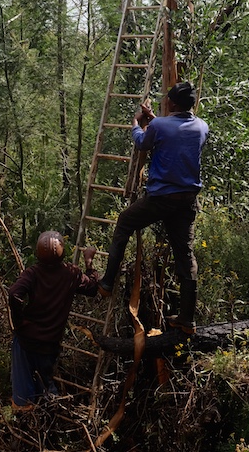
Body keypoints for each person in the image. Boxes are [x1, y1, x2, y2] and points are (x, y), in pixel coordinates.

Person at [98, 82, 209, 334]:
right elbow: (177, 134)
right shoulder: (202, 126)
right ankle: (187, 319)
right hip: (187, 200)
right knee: (185, 255)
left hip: (161, 198)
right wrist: (155, 120)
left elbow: (142, 143)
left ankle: (106, 283)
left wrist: (137, 124)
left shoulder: (159, 125)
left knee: (125, 222)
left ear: (171, 103)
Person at [8, 231, 98, 407]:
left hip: (26, 340)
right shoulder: (71, 273)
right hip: (49, 343)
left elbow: (14, 293)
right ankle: (50, 418)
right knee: (46, 385)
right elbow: (93, 288)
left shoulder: (32, 273)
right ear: (62, 254)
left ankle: (25, 420)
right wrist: (89, 262)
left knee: (23, 393)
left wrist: (19, 323)